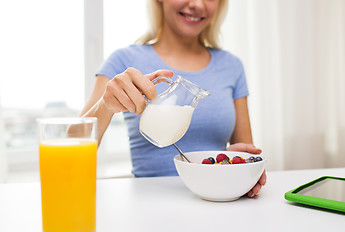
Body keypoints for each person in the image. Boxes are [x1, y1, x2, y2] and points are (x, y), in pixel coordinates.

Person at [80, 0, 266, 197]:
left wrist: (236, 162)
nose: (197, 5)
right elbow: (69, 144)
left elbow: (246, 152)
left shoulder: (231, 66)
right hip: (149, 205)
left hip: (214, 201)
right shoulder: (124, 59)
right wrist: (105, 105)